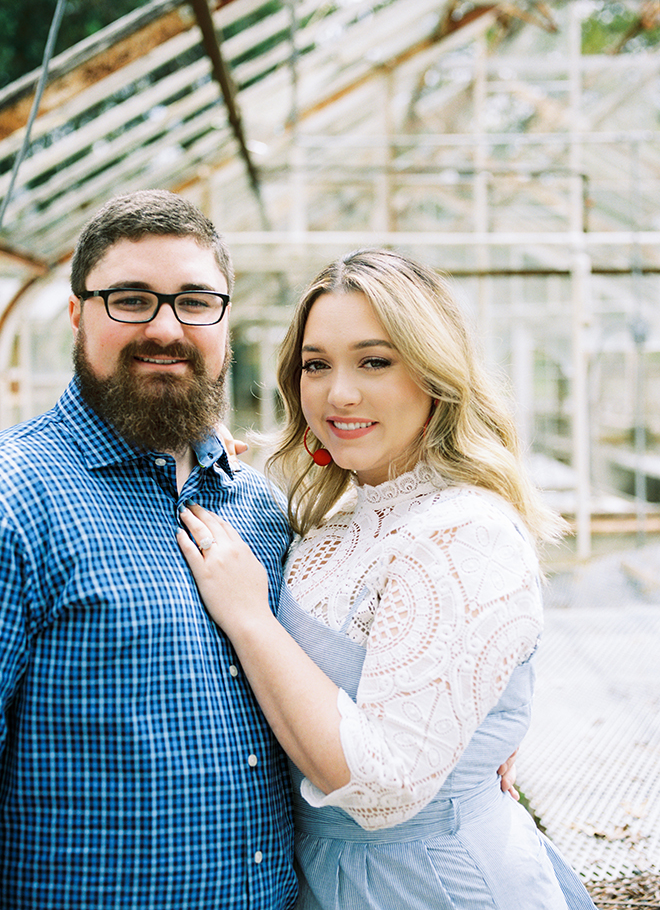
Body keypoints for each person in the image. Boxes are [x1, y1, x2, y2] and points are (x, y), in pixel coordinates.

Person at [178, 249, 597, 909]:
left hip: (428, 885)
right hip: (325, 874)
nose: (338, 393)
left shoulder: (467, 533)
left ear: (434, 373)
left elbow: (387, 786)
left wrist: (250, 618)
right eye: (317, 365)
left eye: (375, 361)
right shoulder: (337, 518)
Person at [0, 190, 298, 908]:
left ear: (225, 317)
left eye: (196, 301)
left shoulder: (260, 510)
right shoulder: (0, 500)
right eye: (132, 300)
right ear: (79, 313)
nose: (167, 328)